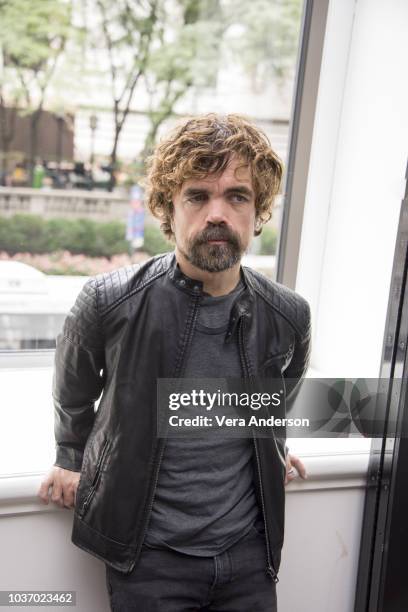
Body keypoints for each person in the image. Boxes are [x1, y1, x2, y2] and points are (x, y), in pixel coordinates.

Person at [38, 113, 311, 611]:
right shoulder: (109, 301)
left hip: (249, 555)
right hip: (149, 558)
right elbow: (73, 389)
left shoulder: (288, 314)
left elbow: (281, 392)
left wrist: (270, 445)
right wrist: (70, 456)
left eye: (237, 196)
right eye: (198, 195)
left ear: (258, 210)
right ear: (169, 206)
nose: (217, 214)